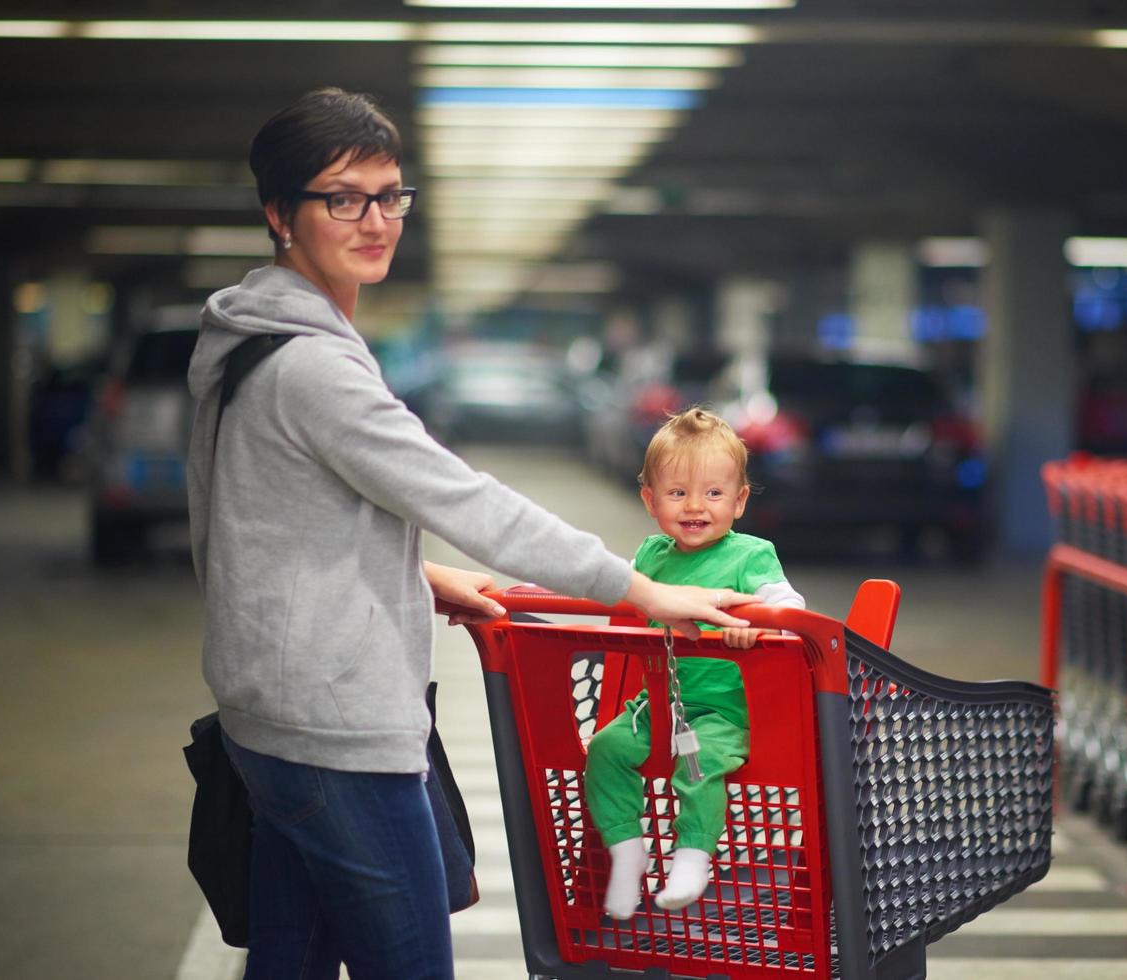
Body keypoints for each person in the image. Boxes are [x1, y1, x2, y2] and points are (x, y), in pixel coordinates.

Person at [185, 88, 755, 980]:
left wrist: (418, 580)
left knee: (291, 960)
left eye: (389, 196)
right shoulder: (312, 367)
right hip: (335, 731)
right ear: (277, 213)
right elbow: (466, 499)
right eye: (343, 197)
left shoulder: (251, 344)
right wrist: (642, 591)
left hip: (269, 714)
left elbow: (268, 525)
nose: (375, 221)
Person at [583, 407, 805, 920]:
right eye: (677, 493)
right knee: (606, 748)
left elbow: (793, 611)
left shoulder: (751, 556)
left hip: (724, 712)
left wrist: (756, 622)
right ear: (650, 500)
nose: (694, 507)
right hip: (655, 704)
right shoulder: (650, 557)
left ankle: (693, 856)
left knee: (698, 764)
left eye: (713, 493)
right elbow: (618, 596)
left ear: (740, 500)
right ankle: (626, 852)